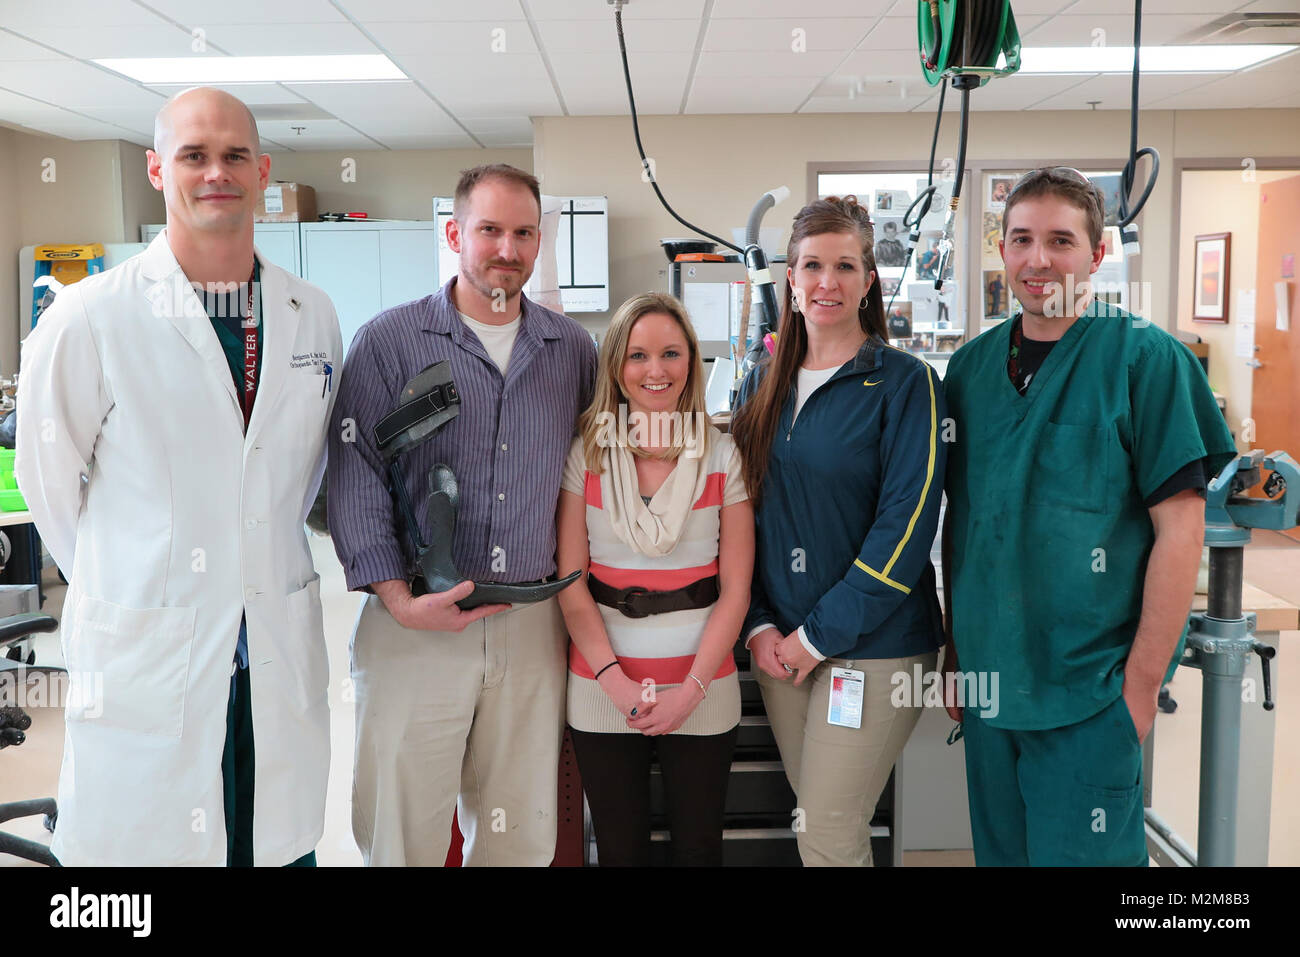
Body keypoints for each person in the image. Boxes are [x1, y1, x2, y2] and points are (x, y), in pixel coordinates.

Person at [15, 88, 341, 866]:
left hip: (270, 648)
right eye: (194, 155)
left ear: (262, 171)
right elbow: (49, 486)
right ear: (159, 169)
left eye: (234, 156)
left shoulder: (311, 312)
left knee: (271, 842)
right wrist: (137, 577)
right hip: (147, 655)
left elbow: (302, 473)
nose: (215, 172)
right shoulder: (88, 317)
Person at [940, 166, 1236, 866]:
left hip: (1089, 694)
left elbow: (1180, 533)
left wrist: (1138, 689)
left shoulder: (1147, 361)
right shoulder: (971, 370)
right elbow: (968, 523)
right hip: (991, 688)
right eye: (1020, 239)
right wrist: (958, 652)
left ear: (1097, 255)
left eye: (1060, 240)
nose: (1038, 259)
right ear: (1001, 250)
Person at [328, 164, 597, 866]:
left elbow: (593, 475)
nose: (507, 248)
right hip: (415, 620)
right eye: (489, 230)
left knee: (520, 832)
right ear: (454, 234)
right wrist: (396, 597)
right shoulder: (389, 341)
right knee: (403, 827)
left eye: (523, 232)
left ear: (540, 242)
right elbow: (353, 476)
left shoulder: (570, 350)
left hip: (530, 622)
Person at [731, 196, 947, 866]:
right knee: (825, 821)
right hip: (781, 651)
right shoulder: (759, 384)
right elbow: (744, 517)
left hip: (874, 649)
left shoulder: (905, 384)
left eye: (845, 265)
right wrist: (761, 624)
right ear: (790, 278)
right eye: (813, 265)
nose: (828, 281)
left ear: (868, 280)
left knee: (825, 826)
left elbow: (906, 529)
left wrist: (816, 636)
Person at [556, 292, 752, 866]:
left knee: (698, 849)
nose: (656, 371)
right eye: (638, 356)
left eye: (670, 353)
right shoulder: (585, 453)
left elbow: (736, 591)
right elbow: (572, 583)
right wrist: (615, 682)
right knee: (621, 852)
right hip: (600, 688)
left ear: (692, 360)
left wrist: (691, 690)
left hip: (704, 687)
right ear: (616, 366)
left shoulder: (723, 455)